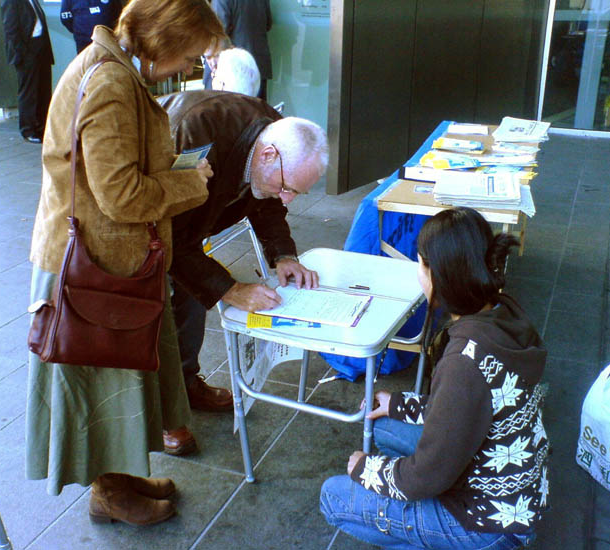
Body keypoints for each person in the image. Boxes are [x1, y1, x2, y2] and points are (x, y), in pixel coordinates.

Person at [27, 0, 225, 526]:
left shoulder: (115, 69)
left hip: (104, 259)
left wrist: (174, 173)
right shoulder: (112, 81)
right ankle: (109, 493)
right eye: (189, 54)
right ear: (164, 38)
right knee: (101, 383)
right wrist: (188, 183)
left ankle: (119, 480)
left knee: (115, 381)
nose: (189, 66)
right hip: (90, 266)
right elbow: (119, 194)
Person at [320, 207, 549, 549]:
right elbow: (464, 407)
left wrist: (365, 470)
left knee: (334, 496)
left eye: (420, 264)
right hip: (513, 492)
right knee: (384, 426)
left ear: (439, 276)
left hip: (489, 525)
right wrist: (398, 404)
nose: (417, 274)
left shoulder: (464, 361)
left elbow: (424, 477)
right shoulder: (502, 312)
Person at [156, 90, 328, 455]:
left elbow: (267, 202)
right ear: (267, 155)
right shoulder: (194, 136)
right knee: (157, 304)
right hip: (145, 221)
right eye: (287, 187)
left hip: (190, 224)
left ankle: (185, 384)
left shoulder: (276, 135)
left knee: (191, 291)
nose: (287, 198)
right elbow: (172, 237)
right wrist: (231, 290)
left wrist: (283, 254)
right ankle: (161, 411)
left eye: (297, 192)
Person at [0, 0, 54, 144]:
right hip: (27, 51)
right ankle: (28, 130)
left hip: (41, 47)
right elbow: (11, 29)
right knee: (29, 92)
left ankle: (42, 127)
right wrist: (23, 53)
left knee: (43, 91)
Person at [211, 0, 272, 101]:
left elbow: (217, 34)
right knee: (256, 110)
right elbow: (268, 24)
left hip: (231, 72)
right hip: (258, 67)